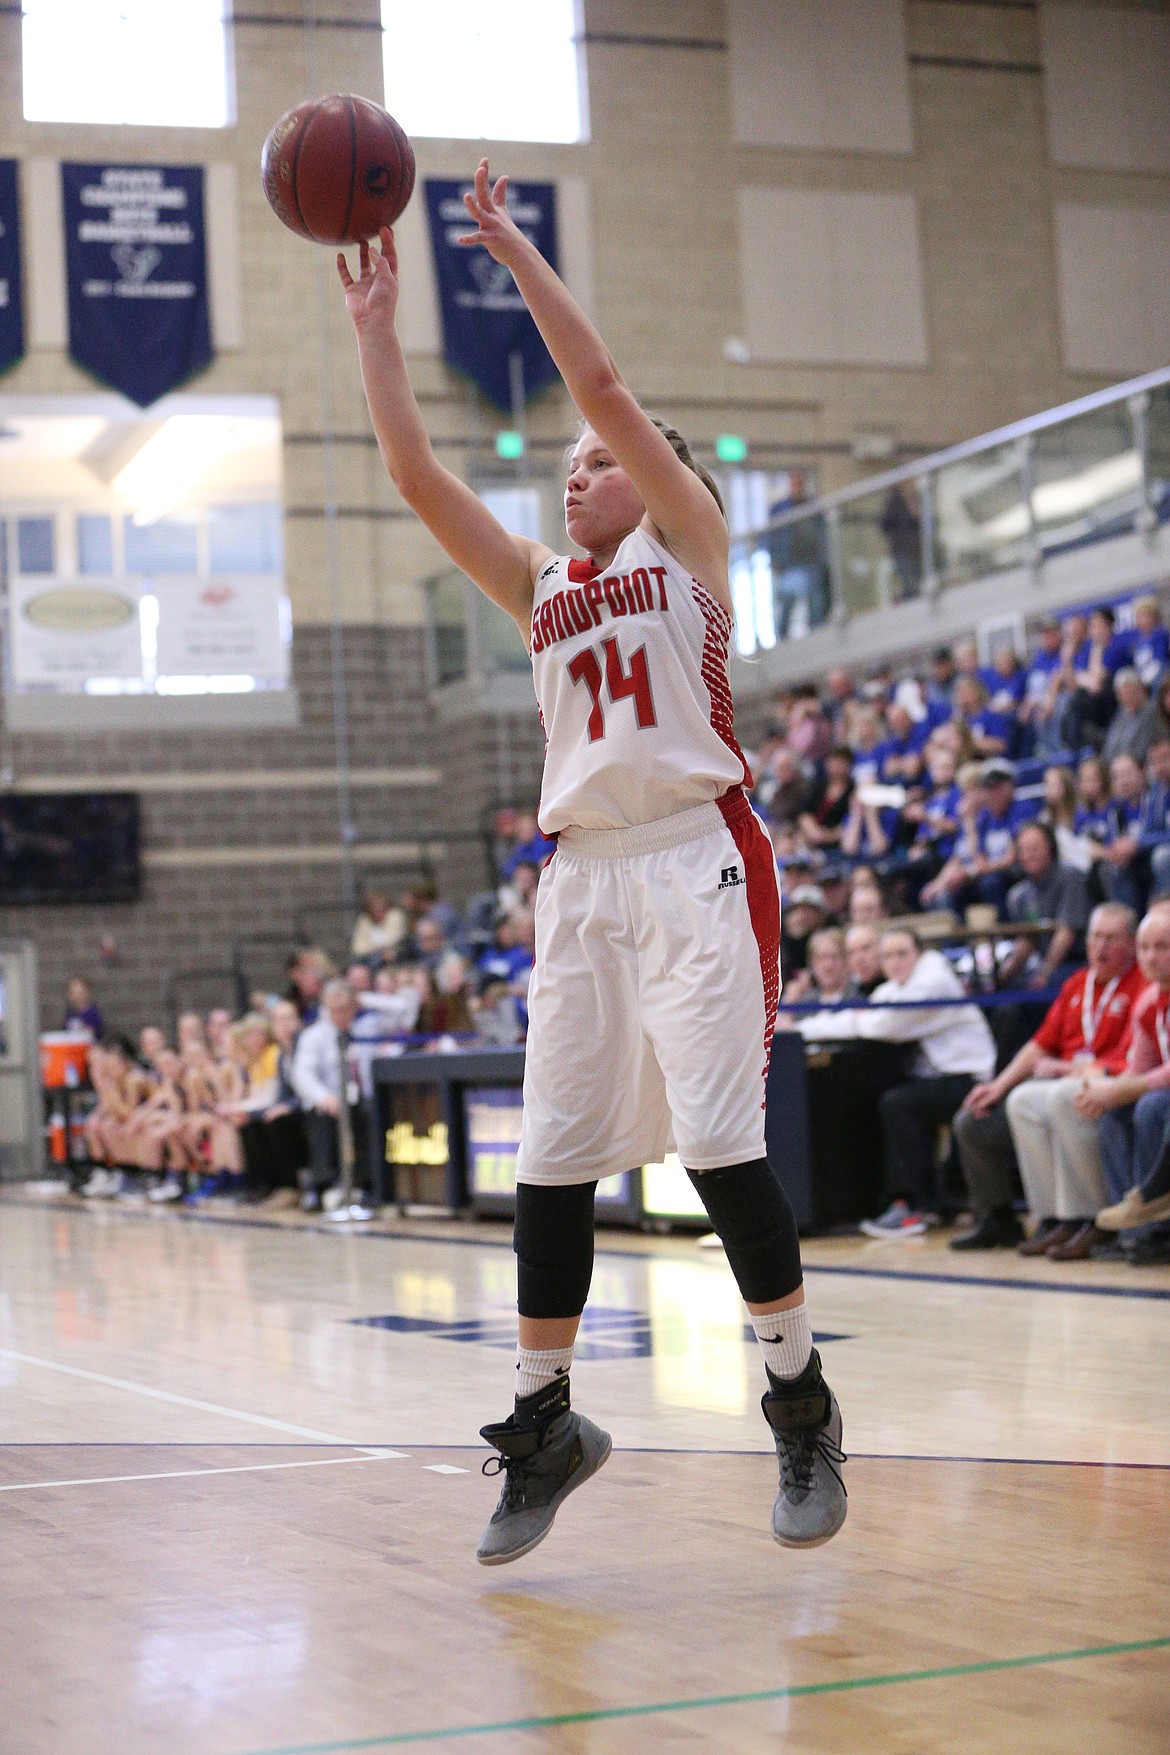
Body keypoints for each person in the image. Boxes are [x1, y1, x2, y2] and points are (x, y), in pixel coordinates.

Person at [339, 166, 846, 1561]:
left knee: (722, 1148)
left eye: (599, 457)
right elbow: (410, 472)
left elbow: (607, 380)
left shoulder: (689, 547)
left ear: (661, 477)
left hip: (695, 859)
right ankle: (543, 1417)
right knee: (551, 1162)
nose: (579, 466)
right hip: (579, 885)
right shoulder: (535, 590)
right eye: (564, 465)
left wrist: (505, 253)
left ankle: (797, 1398)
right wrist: (377, 325)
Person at [950, 904, 1142, 1251]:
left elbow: (1127, 1063)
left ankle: (1092, 1217)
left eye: (1112, 939)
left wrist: (1068, 1070)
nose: (1101, 947)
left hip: (1103, 1079)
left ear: (1131, 944)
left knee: (1059, 1096)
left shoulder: (1140, 983)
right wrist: (998, 1085)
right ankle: (1052, 1217)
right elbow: (1039, 1046)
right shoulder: (1076, 984)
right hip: (1071, 1077)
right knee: (1020, 1099)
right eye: (1096, 937)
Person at [812, 927, 996, 1236]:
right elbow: (859, 1019)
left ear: (919, 954)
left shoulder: (934, 981)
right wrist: (798, 1029)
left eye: (902, 954)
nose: (894, 962)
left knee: (898, 1103)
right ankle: (928, 1201)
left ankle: (907, 1206)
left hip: (970, 1080)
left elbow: (881, 1024)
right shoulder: (896, 988)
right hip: (937, 1077)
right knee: (891, 1096)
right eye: (888, 956)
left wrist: (809, 1028)